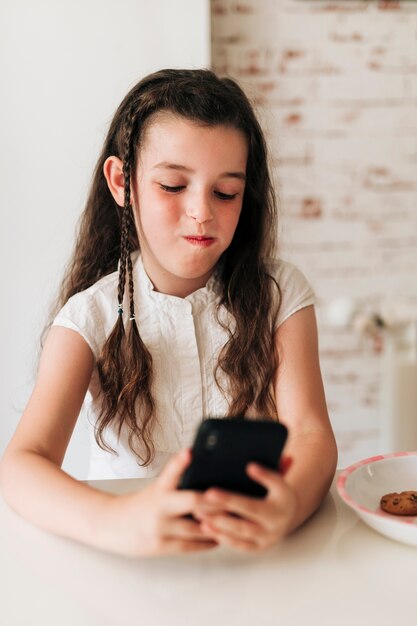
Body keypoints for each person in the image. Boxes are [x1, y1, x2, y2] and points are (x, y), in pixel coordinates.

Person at [0, 69, 337, 557]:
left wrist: (290, 505)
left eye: (226, 192)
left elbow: (311, 435)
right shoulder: (89, 319)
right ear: (122, 182)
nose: (202, 211)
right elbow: (21, 465)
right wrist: (115, 520)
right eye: (174, 185)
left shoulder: (279, 295)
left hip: (253, 562)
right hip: (132, 571)